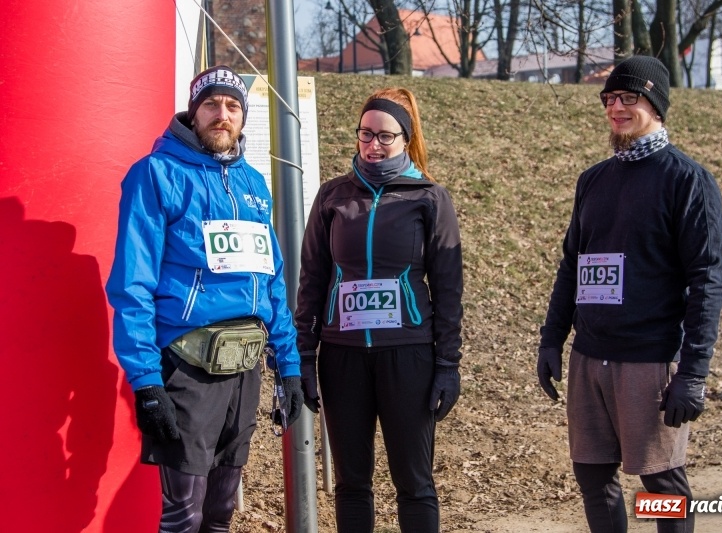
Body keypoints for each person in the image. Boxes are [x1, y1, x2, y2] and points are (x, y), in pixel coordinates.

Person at [105, 65, 303, 533]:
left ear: (242, 118)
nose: (222, 114)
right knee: (184, 514)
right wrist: (146, 382)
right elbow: (131, 285)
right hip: (186, 368)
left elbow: (271, 281)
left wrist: (289, 366)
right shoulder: (156, 174)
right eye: (211, 104)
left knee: (220, 512)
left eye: (233, 106)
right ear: (193, 113)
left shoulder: (254, 185)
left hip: (244, 368)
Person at [536, 55, 722, 533]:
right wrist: (552, 338)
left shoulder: (688, 180)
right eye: (609, 99)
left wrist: (693, 373)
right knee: (592, 476)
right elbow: (572, 266)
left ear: (656, 106)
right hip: (590, 356)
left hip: (650, 360)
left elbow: (707, 279)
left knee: (660, 484)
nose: (615, 108)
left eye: (629, 98)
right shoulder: (593, 180)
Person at [295, 87, 464, 532]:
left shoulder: (428, 198)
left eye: (385, 136)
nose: (372, 145)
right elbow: (311, 282)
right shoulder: (333, 197)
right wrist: (305, 360)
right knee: (352, 483)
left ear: (405, 139)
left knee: (414, 481)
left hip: (408, 355)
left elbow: (448, 290)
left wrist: (448, 363)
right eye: (364, 134)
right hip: (341, 356)